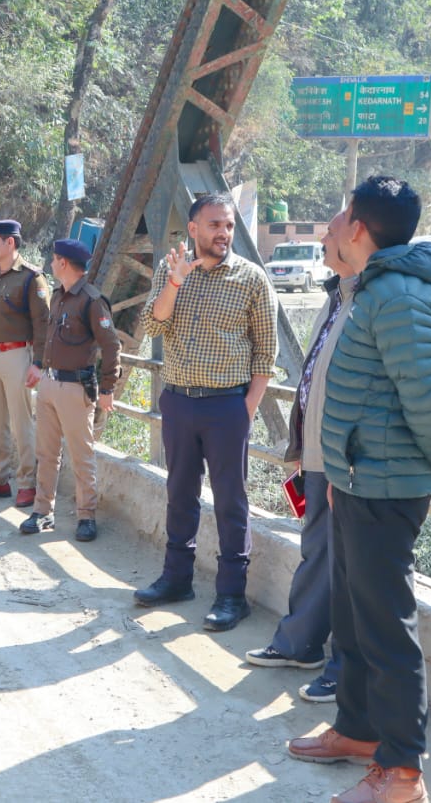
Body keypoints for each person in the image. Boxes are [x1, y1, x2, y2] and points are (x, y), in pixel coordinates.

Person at [287, 176, 431, 803]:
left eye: (341, 215)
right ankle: (359, 729)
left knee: (386, 625)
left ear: (360, 228)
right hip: (358, 479)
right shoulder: (374, 290)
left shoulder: (396, 296)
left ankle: (401, 773)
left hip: (386, 485)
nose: (333, 227)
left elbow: (425, 394)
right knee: (355, 613)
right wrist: (340, 473)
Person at [133, 193, 277, 633]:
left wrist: (245, 410)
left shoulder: (251, 278)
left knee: (231, 502)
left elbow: (265, 355)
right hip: (178, 400)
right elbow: (153, 326)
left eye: (229, 225)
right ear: (193, 229)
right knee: (180, 494)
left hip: (226, 406)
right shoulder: (170, 270)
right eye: (214, 224)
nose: (223, 233)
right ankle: (177, 580)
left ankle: (232, 595)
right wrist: (174, 282)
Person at [244, 217, 357, 703]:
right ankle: (301, 643)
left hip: (349, 461)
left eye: (329, 235)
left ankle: (346, 669)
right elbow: (315, 376)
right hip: (317, 452)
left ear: (355, 238)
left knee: (353, 565)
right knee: (318, 551)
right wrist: (301, 448)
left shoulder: (374, 300)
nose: (322, 243)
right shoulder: (336, 295)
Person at [22, 239, 120, 542]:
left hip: (76, 387)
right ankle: (42, 511)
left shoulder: (91, 300)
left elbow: (111, 345)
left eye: (54, 260)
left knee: (81, 454)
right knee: (46, 452)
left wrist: (107, 388)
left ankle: (86, 515)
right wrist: (39, 366)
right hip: (50, 384)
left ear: (63, 263)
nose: (51, 265)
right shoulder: (58, 296)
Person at [0, 219, 50, 508]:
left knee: (22, 423)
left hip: (18, 354)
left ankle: (28, 483)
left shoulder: (32, 277)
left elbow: (42, 323)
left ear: (10, 243)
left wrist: (39, 363)